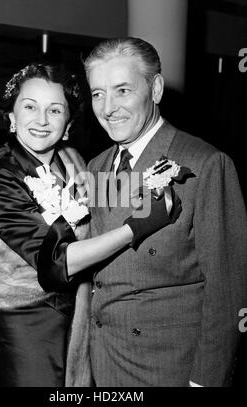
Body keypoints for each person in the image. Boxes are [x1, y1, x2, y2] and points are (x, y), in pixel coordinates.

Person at [0, 62, 181, 387]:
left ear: (67, 123)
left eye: (54, 110)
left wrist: (150, 184)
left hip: (78, 321)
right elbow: (57, 262)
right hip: (21, 330)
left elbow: (108, 196)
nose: (40, 120)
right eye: (29, 107)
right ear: (11, 116)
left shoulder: (73, 161)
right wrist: (136, 227)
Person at [82, 37, 247, 387]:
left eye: (122, 90)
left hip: (168, 367)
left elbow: (228, 289)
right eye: (98, 93)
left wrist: (204, 381)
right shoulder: (96, 167)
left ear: (155, 89)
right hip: (103, 360)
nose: (108, 107)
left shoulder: (205, 164)